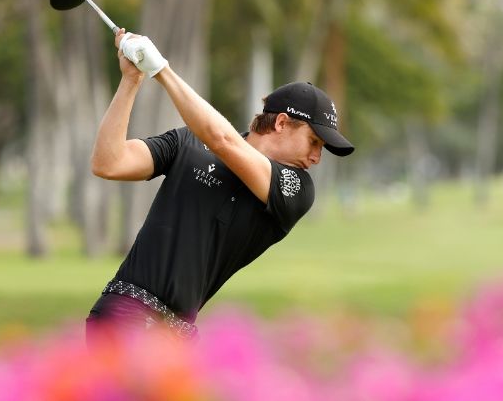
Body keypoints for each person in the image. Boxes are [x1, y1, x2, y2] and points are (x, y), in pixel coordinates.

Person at [85, 29, 354, 344]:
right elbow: (108, 163)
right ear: (281, 123)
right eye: (314, 141)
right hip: (125, 313)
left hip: (178, 336)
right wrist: (131, 80)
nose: (317, 157)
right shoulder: (188, 142)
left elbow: (222, 140)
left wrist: (162, 71)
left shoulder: (296, 189)